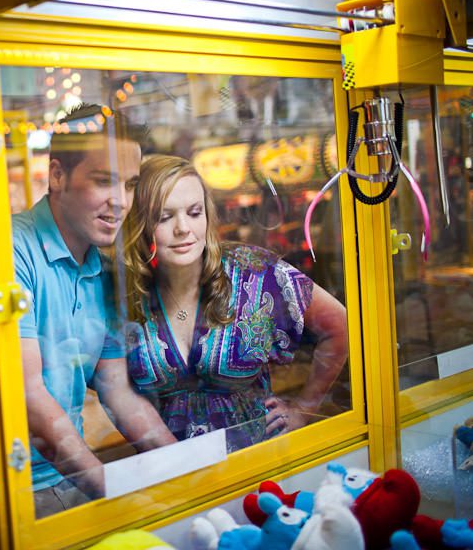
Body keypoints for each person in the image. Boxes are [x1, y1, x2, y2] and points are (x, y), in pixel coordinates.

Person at [0, 105, 176, 549]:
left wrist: (180, 463)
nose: (120, 200)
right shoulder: (3, 251)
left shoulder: (100, 269)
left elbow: (117, 390)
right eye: (104, 180)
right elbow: (26, 394)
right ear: (57, 176)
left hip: (67, 467)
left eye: (130, 184)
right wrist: (110, 490)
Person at [122, 154, 348, 451]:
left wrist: (304, 408)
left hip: (255, 465)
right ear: (139, 224)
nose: (183, 229)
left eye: (194, 212)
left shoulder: (253, 272)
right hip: (167, 477)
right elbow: (110, 388)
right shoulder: (126, 290)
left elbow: (339, 325)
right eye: (164, 217)